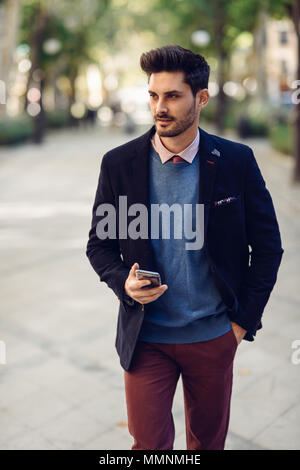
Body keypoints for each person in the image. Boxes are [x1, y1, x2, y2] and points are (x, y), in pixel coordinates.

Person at [86, 45, 284, 450]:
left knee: (208, 444)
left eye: (173, 96)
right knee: (149, 447)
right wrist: (124, 281)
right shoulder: (119, 163)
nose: (160, 107)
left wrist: (241, 323)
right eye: (154, 96)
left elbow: (268, 248)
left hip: (213, 336)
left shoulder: (235, 161)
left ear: (201, 98)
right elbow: (99, 245)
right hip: (147, 338)